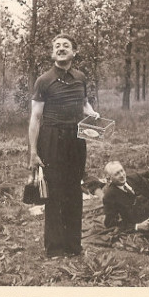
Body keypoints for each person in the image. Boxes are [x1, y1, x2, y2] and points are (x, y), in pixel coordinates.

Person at [28, 33, 100, 258]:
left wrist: (92, 113)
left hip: (76, 139)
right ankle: (55, 248)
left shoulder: (80, 77)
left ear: (74, 52)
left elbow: (84, 103)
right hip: (51, 139)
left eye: (66, 46)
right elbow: (35, 118)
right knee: (55, 192)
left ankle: (73, 246)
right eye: (57, 46)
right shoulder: (43, 80)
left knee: (74, 191)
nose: (61, 48)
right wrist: (33, 151)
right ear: (52, 52)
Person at [101, 161, 149, 238]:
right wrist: (137, 226)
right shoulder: (109, 195)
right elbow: (110, 223)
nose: (122, 175)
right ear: (109, 178)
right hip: (145, 223)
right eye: (117, 174)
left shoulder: (135, 178)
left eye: (122, 171)